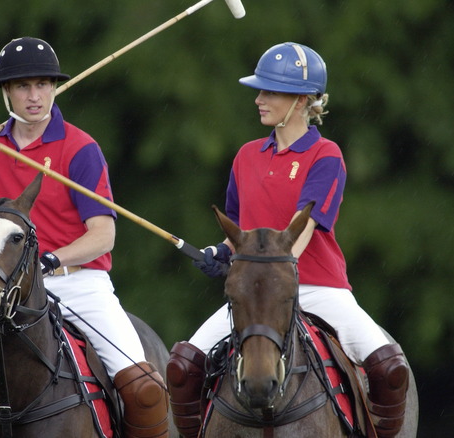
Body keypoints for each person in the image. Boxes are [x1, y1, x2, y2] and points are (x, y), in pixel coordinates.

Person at [0, 37, 169, 438]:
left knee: (144, 388)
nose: (34, 96)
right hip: (8, 290)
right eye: (22, 86)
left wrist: (54, 259)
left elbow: (104, 235)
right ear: (6, 93)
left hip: (81, 283)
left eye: (43, 84)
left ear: (54, 87)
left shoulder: (80, 148)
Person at [165, 42, 409, 438]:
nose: (259, 99)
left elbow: (303, 227)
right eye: (259, 91)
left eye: (269, 92)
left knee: (389, 367)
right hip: (256, 291)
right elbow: (241, 231)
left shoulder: (325, 155)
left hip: (319, 286)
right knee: (182, 365)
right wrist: (221, 252)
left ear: (301, 100)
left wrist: (272, 266)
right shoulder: (246, 156)